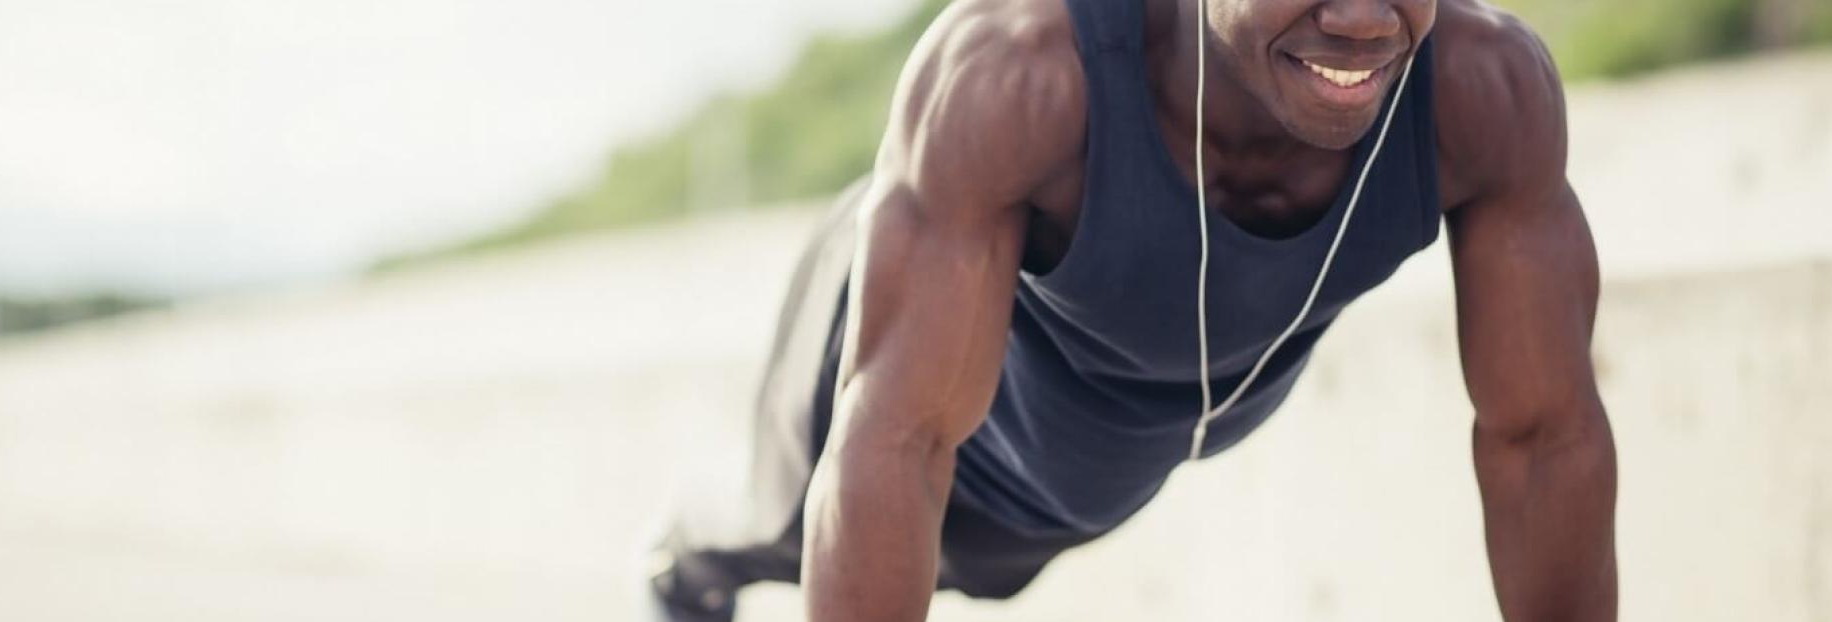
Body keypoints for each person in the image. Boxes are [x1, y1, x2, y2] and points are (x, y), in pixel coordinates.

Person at [646, 0, 1618, 619]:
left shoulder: (1486, 95)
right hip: (907, 379)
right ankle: (679, 570)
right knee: (763, 525)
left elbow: (1544, 438)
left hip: (1098, 466)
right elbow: (897, 445)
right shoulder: (1017, 75)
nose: (1366, 19)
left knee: (992, 567)